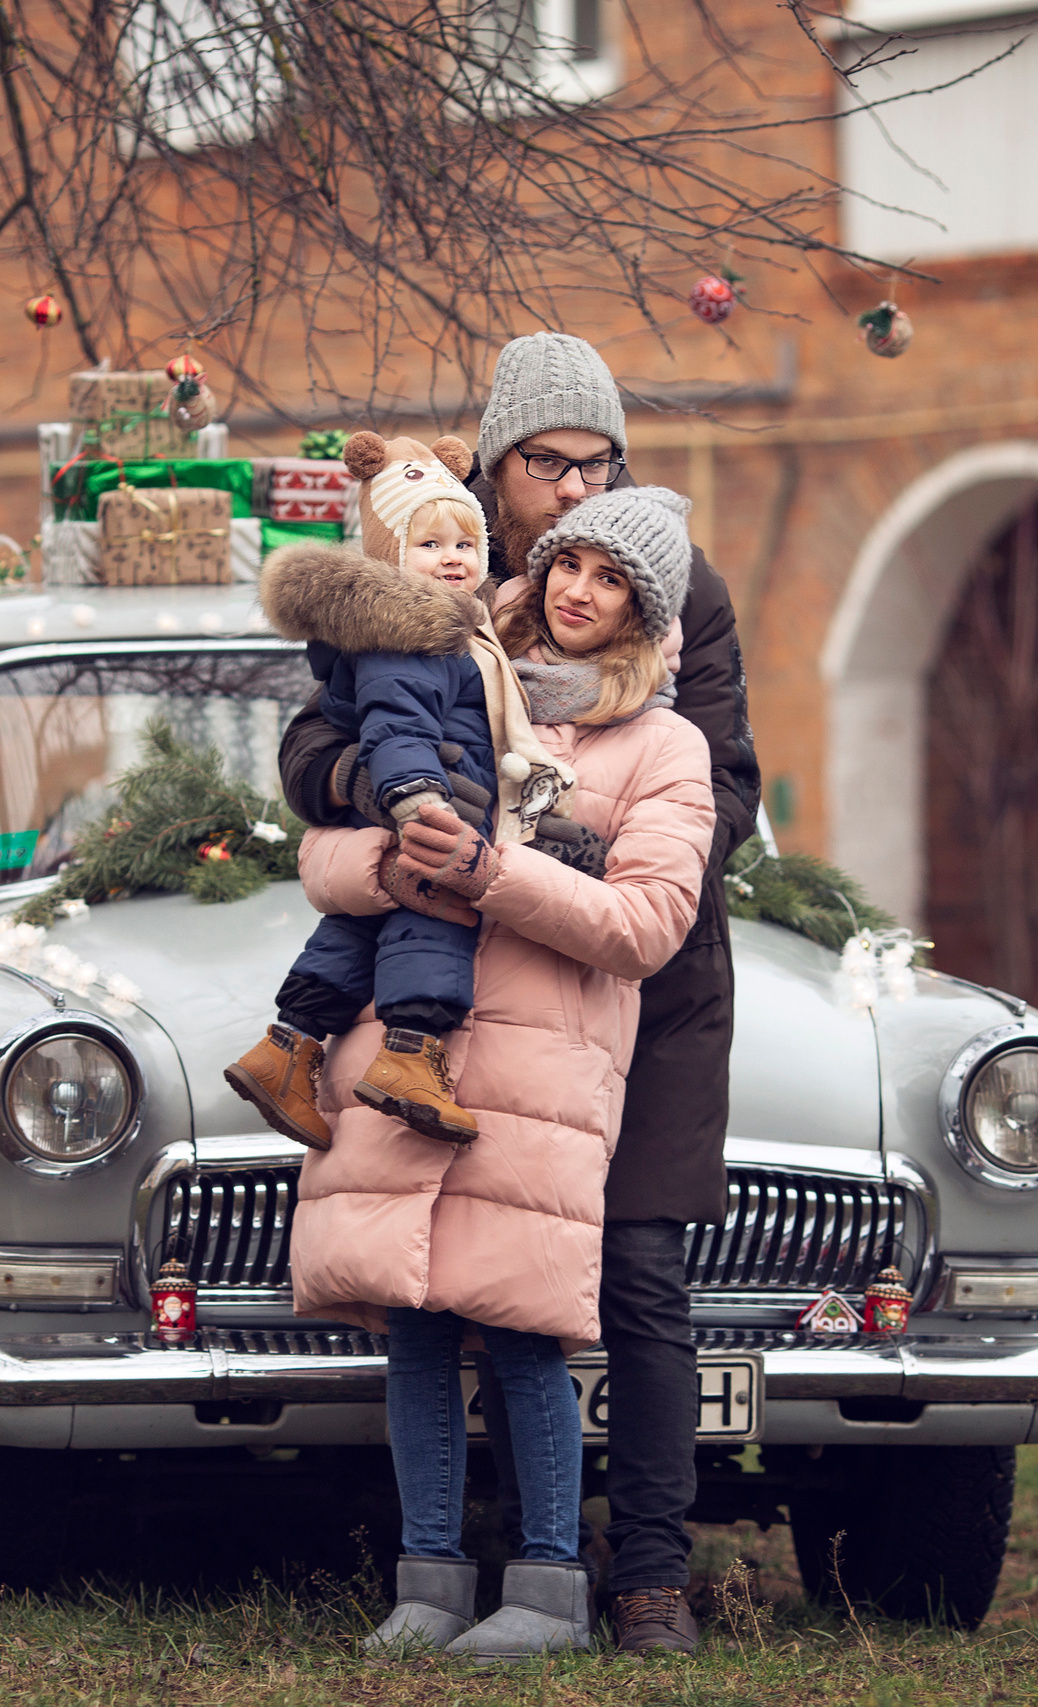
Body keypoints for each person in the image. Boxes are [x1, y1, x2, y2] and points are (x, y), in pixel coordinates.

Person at [276, 332, 761, 1656]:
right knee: (438, 1277)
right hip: (461, 967)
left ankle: (639, 1570)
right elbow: (320, 738)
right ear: (498, 470)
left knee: (633, 1266)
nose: (570, 490)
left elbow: (713, 784)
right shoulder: (441, 571)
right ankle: (447, 1564)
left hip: (638, 981)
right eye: (546, 464)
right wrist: (390, 808)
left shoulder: (670, 588)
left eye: (595, 463)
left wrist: (536, 856)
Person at [225, 432, 572, 1150]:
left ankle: (287, 1047)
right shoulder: (408, 635)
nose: (452, 557)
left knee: (356, 929)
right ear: (389, 557)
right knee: (436, 918)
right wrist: (419, 798)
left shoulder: (450, 630)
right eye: (429, 543)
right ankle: (412, 1055)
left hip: (435, 805)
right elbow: (396, 726)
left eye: (464, 544)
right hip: (431, 813)